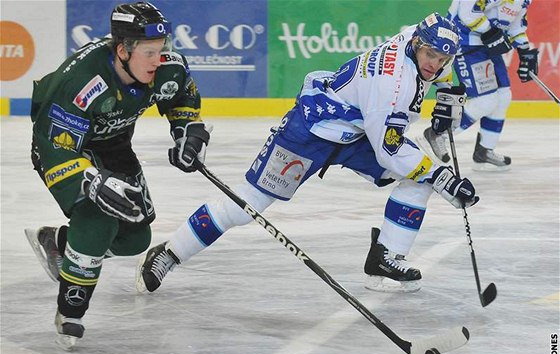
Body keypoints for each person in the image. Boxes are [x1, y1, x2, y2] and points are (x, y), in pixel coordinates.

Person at [136, 13, 479, 297]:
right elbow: (389, 149)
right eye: (431, 56)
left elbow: (439, 63)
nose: (435, 65)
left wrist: (449, 90)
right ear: (418, 45)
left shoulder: (413, 37)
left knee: (416, 180)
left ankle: (385, 258)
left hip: (355, 130)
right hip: (311, 132)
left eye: (442, 59)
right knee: (244, 208)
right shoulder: (393, 85)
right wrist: (443, 177)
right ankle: (170, 252)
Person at [24, 2, 211, 350]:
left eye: (162, 49)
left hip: (113, 147)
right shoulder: (81, 82)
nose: (159, 59)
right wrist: (90, 181)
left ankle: (61, 244)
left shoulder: (165, 67)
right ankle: (71, 308)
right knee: (98, 220)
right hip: (65, 148)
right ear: (123, 51)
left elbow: (180, 94)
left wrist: (188, 128)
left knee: (135, 238)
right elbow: (55, 146)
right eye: (150, 53)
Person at [417, 0, 537, 171]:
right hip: (465, 42)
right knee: (486, 100)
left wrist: (526, 50)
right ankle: (437, 134)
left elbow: (516, 25)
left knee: (503, 96)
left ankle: (484, 150)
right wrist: (490, 32)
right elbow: (467, 12)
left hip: (485, 43)